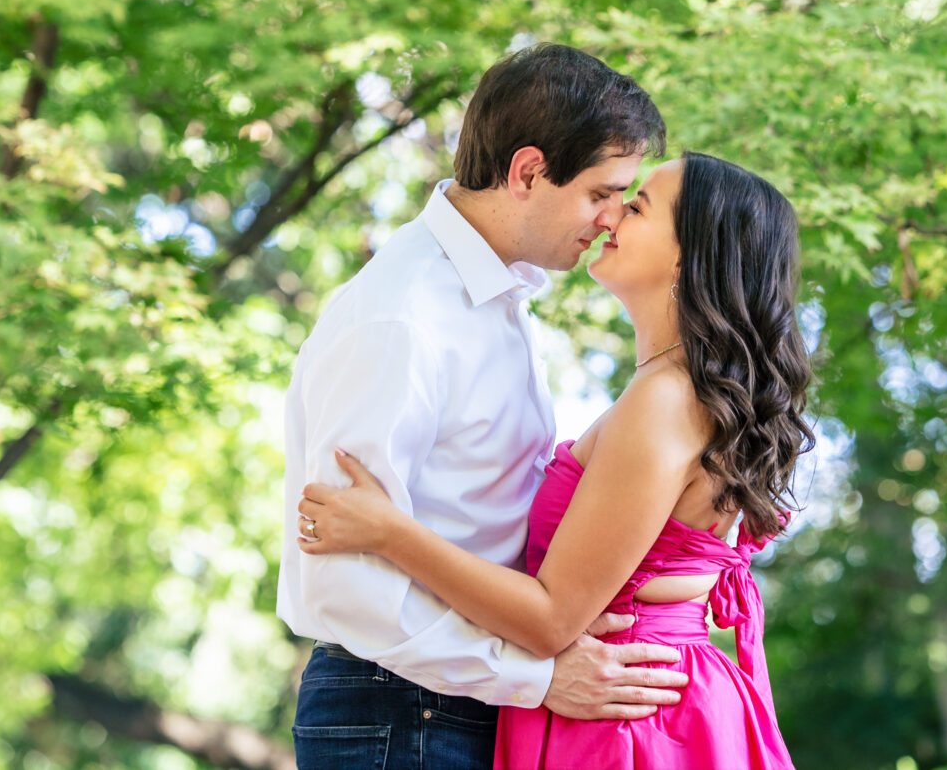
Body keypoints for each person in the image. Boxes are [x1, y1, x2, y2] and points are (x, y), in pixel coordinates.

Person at [299, 151, 814, 770]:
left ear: (687, 254)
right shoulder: (668, 392)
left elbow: (550, 618)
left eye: (637, 206)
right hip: (626, 702)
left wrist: (389, 532)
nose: (611, 217)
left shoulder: (666, 400)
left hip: (627, 722)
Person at [280, 43, 689, 770]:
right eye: (601, 192)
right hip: (400, 706)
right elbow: (344, 581)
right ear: (528, 170)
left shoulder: (497, 296)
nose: (609, 219)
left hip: (455, 698)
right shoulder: (404, 316)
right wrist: (535, 676)